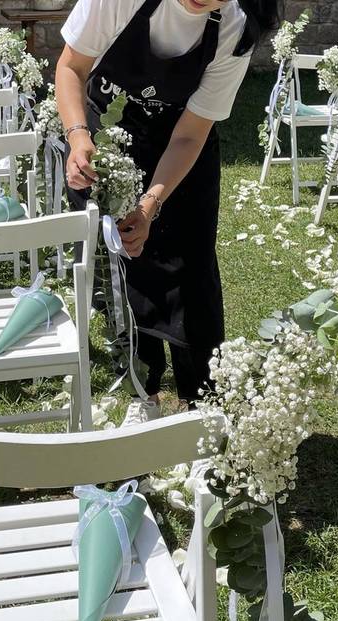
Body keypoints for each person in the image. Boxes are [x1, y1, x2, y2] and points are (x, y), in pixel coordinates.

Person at [56, 0, 279, 425]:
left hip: (181, 151)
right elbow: (71, 68)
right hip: (104, 142)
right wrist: (78, 135)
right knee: (119, 267)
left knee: (191, 271)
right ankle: (144, 388)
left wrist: (149, 204)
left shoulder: (234, 27)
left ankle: (202, 403)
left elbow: (190, 135)